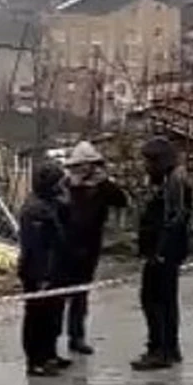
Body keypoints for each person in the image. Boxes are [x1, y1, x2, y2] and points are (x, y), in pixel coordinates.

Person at [61, 141, 128, 355]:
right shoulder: (65, 187)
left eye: (88, 166)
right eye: (81, 166)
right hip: (66, 247)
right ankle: (49, 343)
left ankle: (76, 336)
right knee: (56, 295)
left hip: (90, 247)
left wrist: (105, 183)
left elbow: (122, 200)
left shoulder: (102, 188)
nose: (85, 170)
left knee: (80, 295)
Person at [134, 136, 193, 370]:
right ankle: (164, 347)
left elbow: (175, 219)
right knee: (157, 299)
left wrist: (161, 251)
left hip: (164, 253)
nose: (146, 167)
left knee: (157, 300)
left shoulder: (175, 182)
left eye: (149, 161)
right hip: (160, 251)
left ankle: (163, 350)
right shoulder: (166, 180)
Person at [17, 159, 70, 377]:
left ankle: (49, 354)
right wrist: (42, 276)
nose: (61, 186)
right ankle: (35, 360)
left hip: (53, 269)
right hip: (38, 272)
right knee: (37, 317)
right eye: (57, 182)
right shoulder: (35, 210)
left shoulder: (50, 203)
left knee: (53, 315)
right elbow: (36, 247)